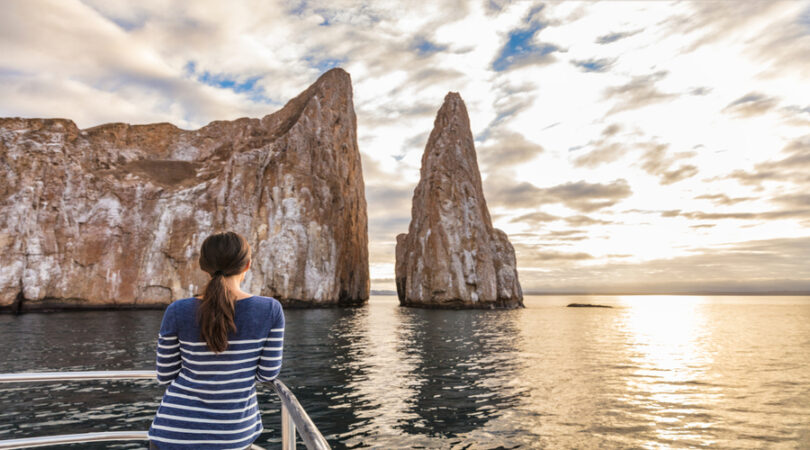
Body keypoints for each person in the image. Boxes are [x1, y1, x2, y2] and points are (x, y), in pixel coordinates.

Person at [147, 231, 284, 450]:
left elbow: (165, 375)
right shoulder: (269, 310)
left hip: (172, 435)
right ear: (247, 265)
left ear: (203, 266)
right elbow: (267, 373)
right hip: (230, 437)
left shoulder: (177, 310)